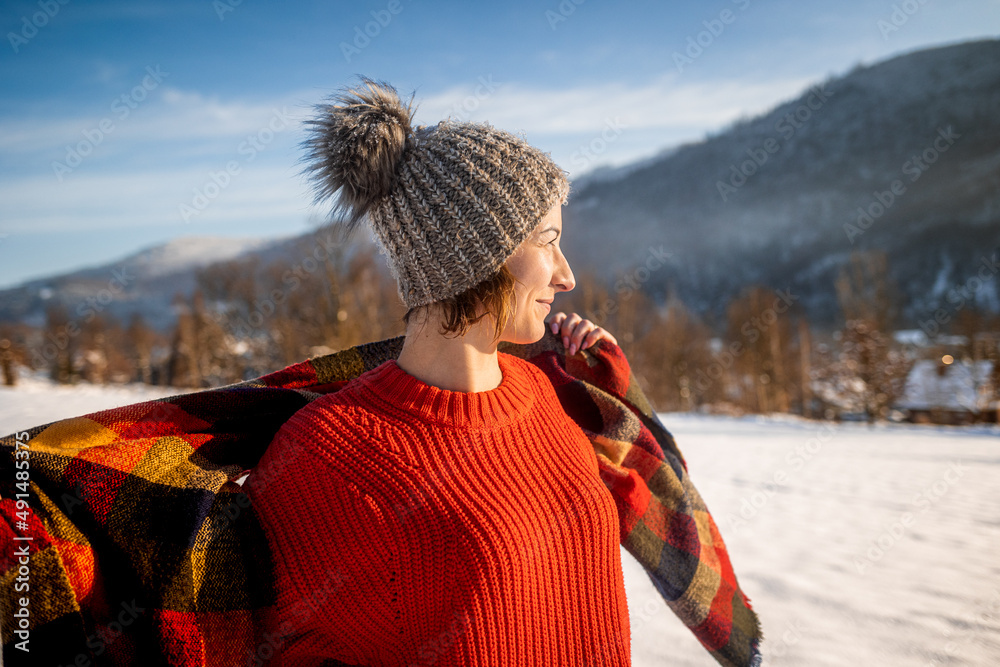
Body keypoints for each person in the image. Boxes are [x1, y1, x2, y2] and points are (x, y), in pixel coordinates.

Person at [244, 77, 630, 666]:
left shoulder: (539, 390)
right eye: (547, 242)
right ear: (475, 252)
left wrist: (603, 381)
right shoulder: (327, 457)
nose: (566, 274)